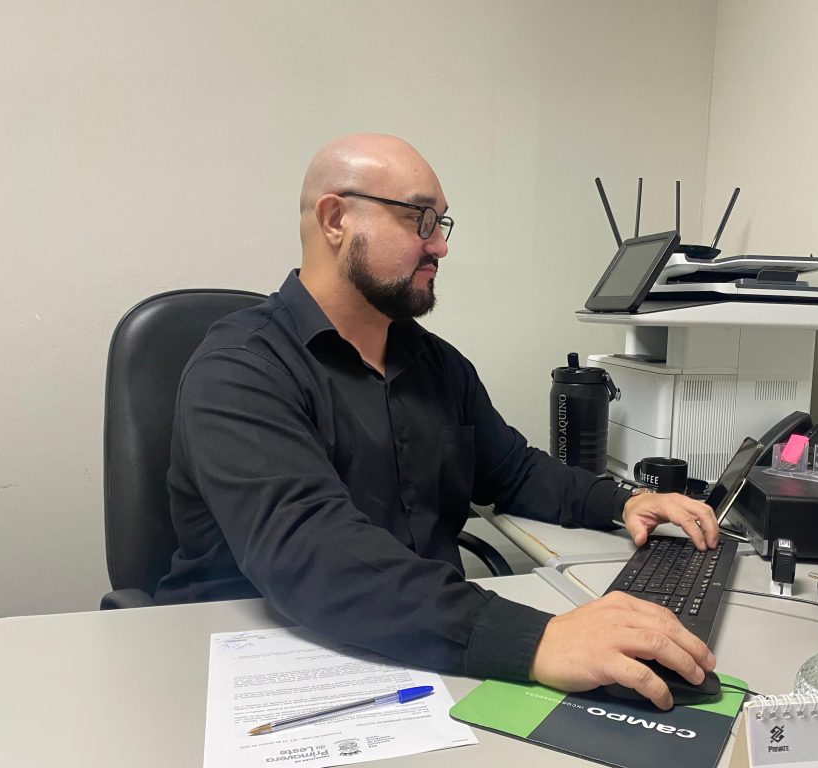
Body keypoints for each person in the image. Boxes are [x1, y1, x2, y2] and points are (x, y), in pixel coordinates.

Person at [157, 133, 721, 710]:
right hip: (262, 660)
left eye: (441, 223)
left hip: (423, 649)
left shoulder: (436, 364)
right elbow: (313, 553)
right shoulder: (240, 370)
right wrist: (538, 640)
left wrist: (623, 503)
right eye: (419, 219)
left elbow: (512, 470)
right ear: (335, 220)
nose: (440, 246)